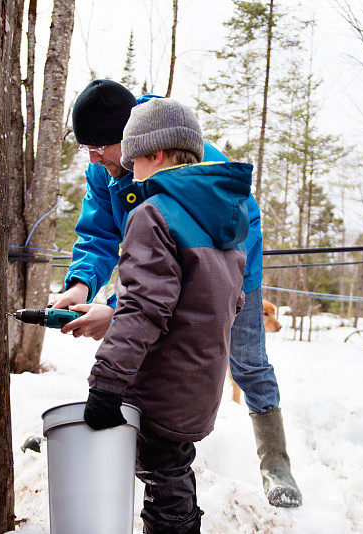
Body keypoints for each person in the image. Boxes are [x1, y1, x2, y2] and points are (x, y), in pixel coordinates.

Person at [53, 79, 302, 508]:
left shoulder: (194, 156)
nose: (93, 158)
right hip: (160, 280)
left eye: (102, 147)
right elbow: (98, 233)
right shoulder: (105, 166)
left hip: (230, 271)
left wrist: (114, 312)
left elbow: (178, 286)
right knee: (154, 359)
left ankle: (275, 462)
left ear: (143, 148)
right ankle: (125, 446)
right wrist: (79, 285)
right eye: (86, 148)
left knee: (248, 362)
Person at [81, 97, 249, 533]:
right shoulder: (224, 220)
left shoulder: (152, 215)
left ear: (154, 155)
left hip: (161, 386)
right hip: (200, 383)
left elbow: (142, 309)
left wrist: (106, 383)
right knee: (173, 471)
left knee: (162, 479)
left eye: (134, 159)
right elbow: (229, 301)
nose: (129, 173)